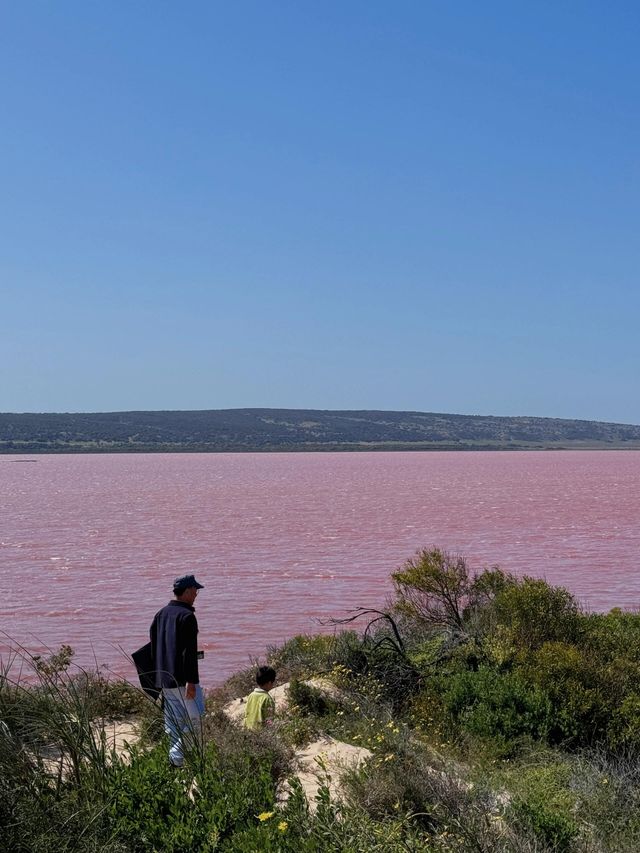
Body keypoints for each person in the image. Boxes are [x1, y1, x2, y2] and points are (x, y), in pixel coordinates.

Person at [150, 573, 205, 767]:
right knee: (196, 720)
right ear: (188, 591)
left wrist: (157, 678)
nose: (197, 594)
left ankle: (178, 762)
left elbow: (153, 647)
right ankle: (176, 758)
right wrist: (192, 681)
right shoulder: (187, 616)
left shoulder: (161, 614)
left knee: (174, 724)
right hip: (183, 681)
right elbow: (188, 653)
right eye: (195, 590)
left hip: (164, 680)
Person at [244, 666, 277, 730]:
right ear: (269, 682)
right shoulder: (267, 699)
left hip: (249, 732)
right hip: (261, 734)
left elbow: (246, 715)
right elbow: (269, 720)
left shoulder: (251, 696)